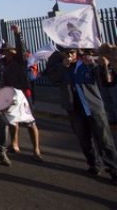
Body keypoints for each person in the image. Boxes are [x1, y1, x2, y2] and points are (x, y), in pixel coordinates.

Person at [44, 48, 117, 183]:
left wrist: (105, 65)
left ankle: (114, 170)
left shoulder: (88, 59)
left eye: (72, 52)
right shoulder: (57, 60)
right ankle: (94, 164)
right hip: (74, 108)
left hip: (94, 107)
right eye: (67, 52)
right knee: (84, 139)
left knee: (105, 140)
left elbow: (108, 81)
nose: (70, 55)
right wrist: (63, 66)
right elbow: (51, 78)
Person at [0, 24, 43, 161]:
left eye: (9, 51)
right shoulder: (4, 65)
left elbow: (21, 48)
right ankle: (14, 144)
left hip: (23, 94)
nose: (7, 53)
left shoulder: (20, 60)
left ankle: (36, 149)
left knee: (30, 122)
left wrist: (18, 34)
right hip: (10, 95)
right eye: (5, 51)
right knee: (13, 120)